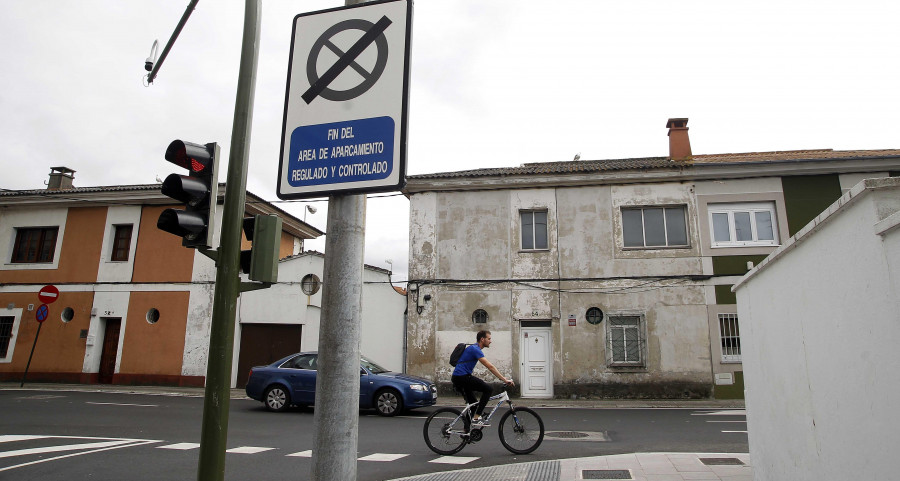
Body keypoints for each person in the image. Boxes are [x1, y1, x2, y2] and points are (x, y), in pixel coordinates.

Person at [450, 330, 514, 425]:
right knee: (488, 389)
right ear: (482, 339)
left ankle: (466, 432)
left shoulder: (474, 348)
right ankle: (476, 418)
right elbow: (490, 367)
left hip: (460, 377)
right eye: (489, 339)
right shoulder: (475, 349)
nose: (490, 341)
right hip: (462, 377)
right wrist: (504, 379)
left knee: (474, 405)